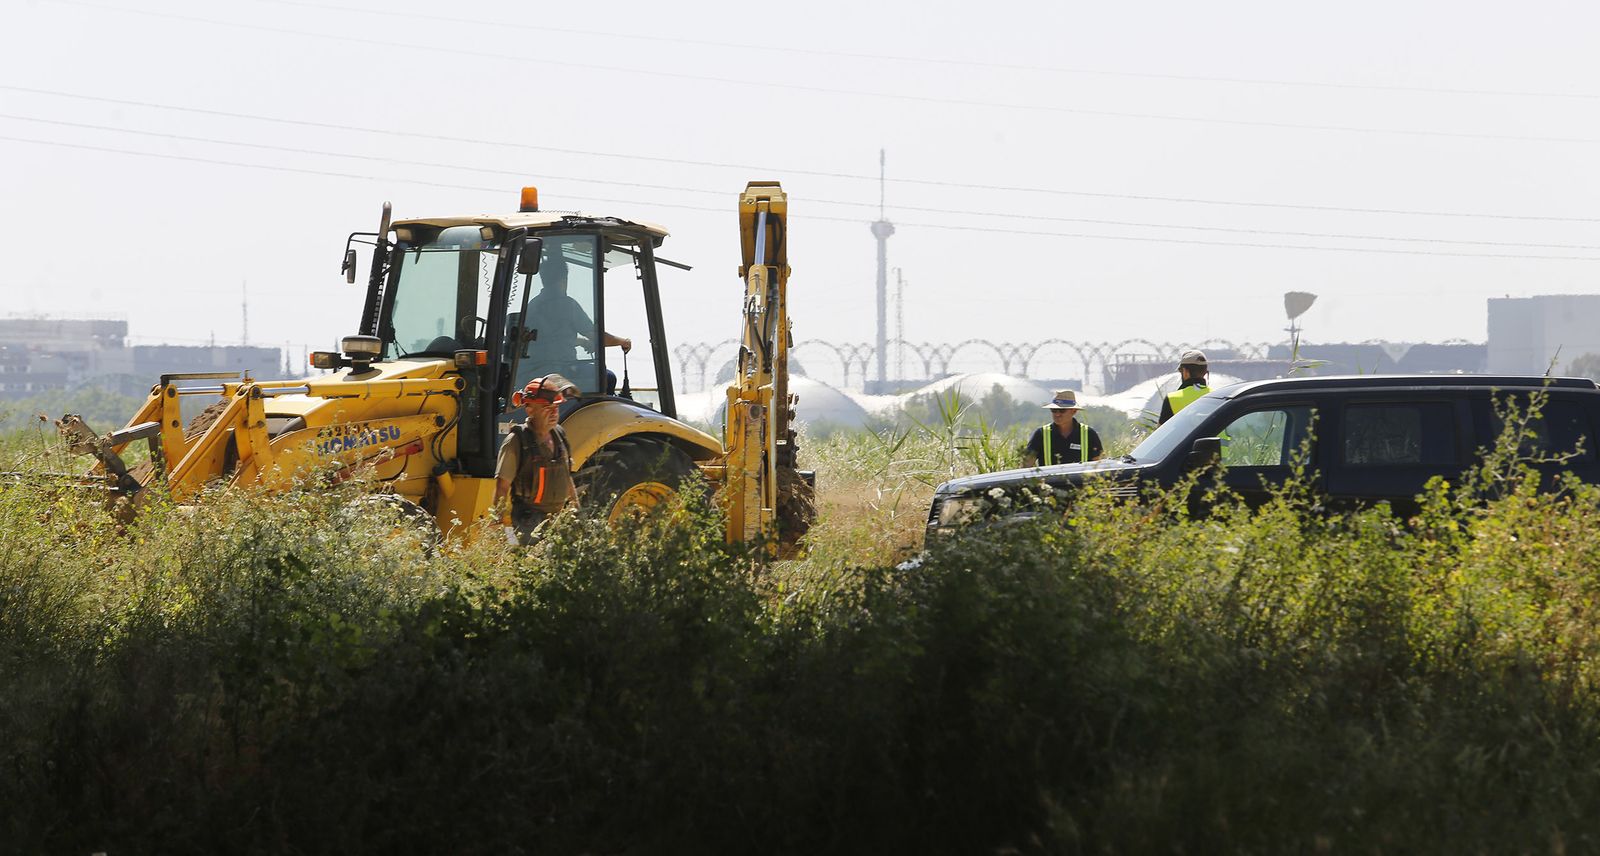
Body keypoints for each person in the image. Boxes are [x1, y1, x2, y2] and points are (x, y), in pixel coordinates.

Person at [494, 374, 579, 544]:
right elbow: (501, 488)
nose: (554, 412)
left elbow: (566, 476)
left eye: (556, 407)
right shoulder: (517, 441)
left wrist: (577, 510)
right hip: (527, 523)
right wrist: (503, 528)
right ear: (530, 409)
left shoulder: (560, 435)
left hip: (557, 521)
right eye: (547, 407)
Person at [522, 258, 632, 368]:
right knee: (609, 377)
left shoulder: (533, 305)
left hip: (535, 368)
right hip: (562, 369)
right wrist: (623, 342)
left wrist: (582, 342)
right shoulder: (567, 305)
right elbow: (596, 336)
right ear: (564, 280)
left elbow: (551, 339)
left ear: (543, 279)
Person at [1023, 389, 1103, 467]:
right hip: (1049, 481)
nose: (1057, 414)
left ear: (1074, 411)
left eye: (1062, 410)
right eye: (1054, 410)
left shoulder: (1089, 434)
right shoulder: (1041, 434)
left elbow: (1100, 467)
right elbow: (1026, 466)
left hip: (1079, 481)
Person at [1158, 349, 1212, 425]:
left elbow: (1160, 433)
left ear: (1185, 372)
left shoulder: (1172, 399)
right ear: (1205, 372)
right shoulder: (1219, 396)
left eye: (1181, 371)